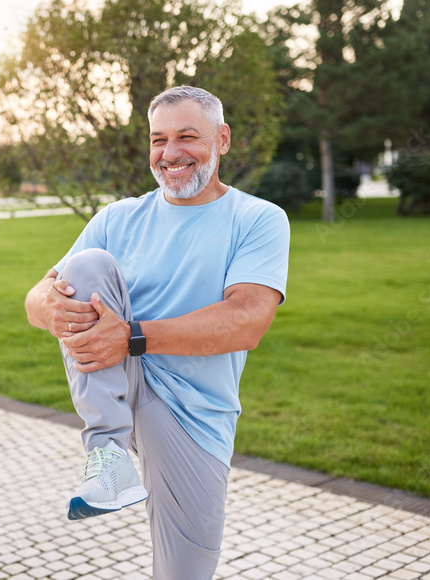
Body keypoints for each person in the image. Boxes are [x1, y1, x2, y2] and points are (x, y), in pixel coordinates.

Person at [24, 86, 290, 579]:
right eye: (159, 140)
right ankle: (107, 452)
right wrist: (51, 310)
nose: (170, 154)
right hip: (113, 382)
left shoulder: (258, 219)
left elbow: (247, 320)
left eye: (187, 136)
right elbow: (38, 296)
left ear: (223, 139)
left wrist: (132, 337)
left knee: (184, 572)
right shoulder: (118, 216)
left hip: (192, 413)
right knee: (88, 265)